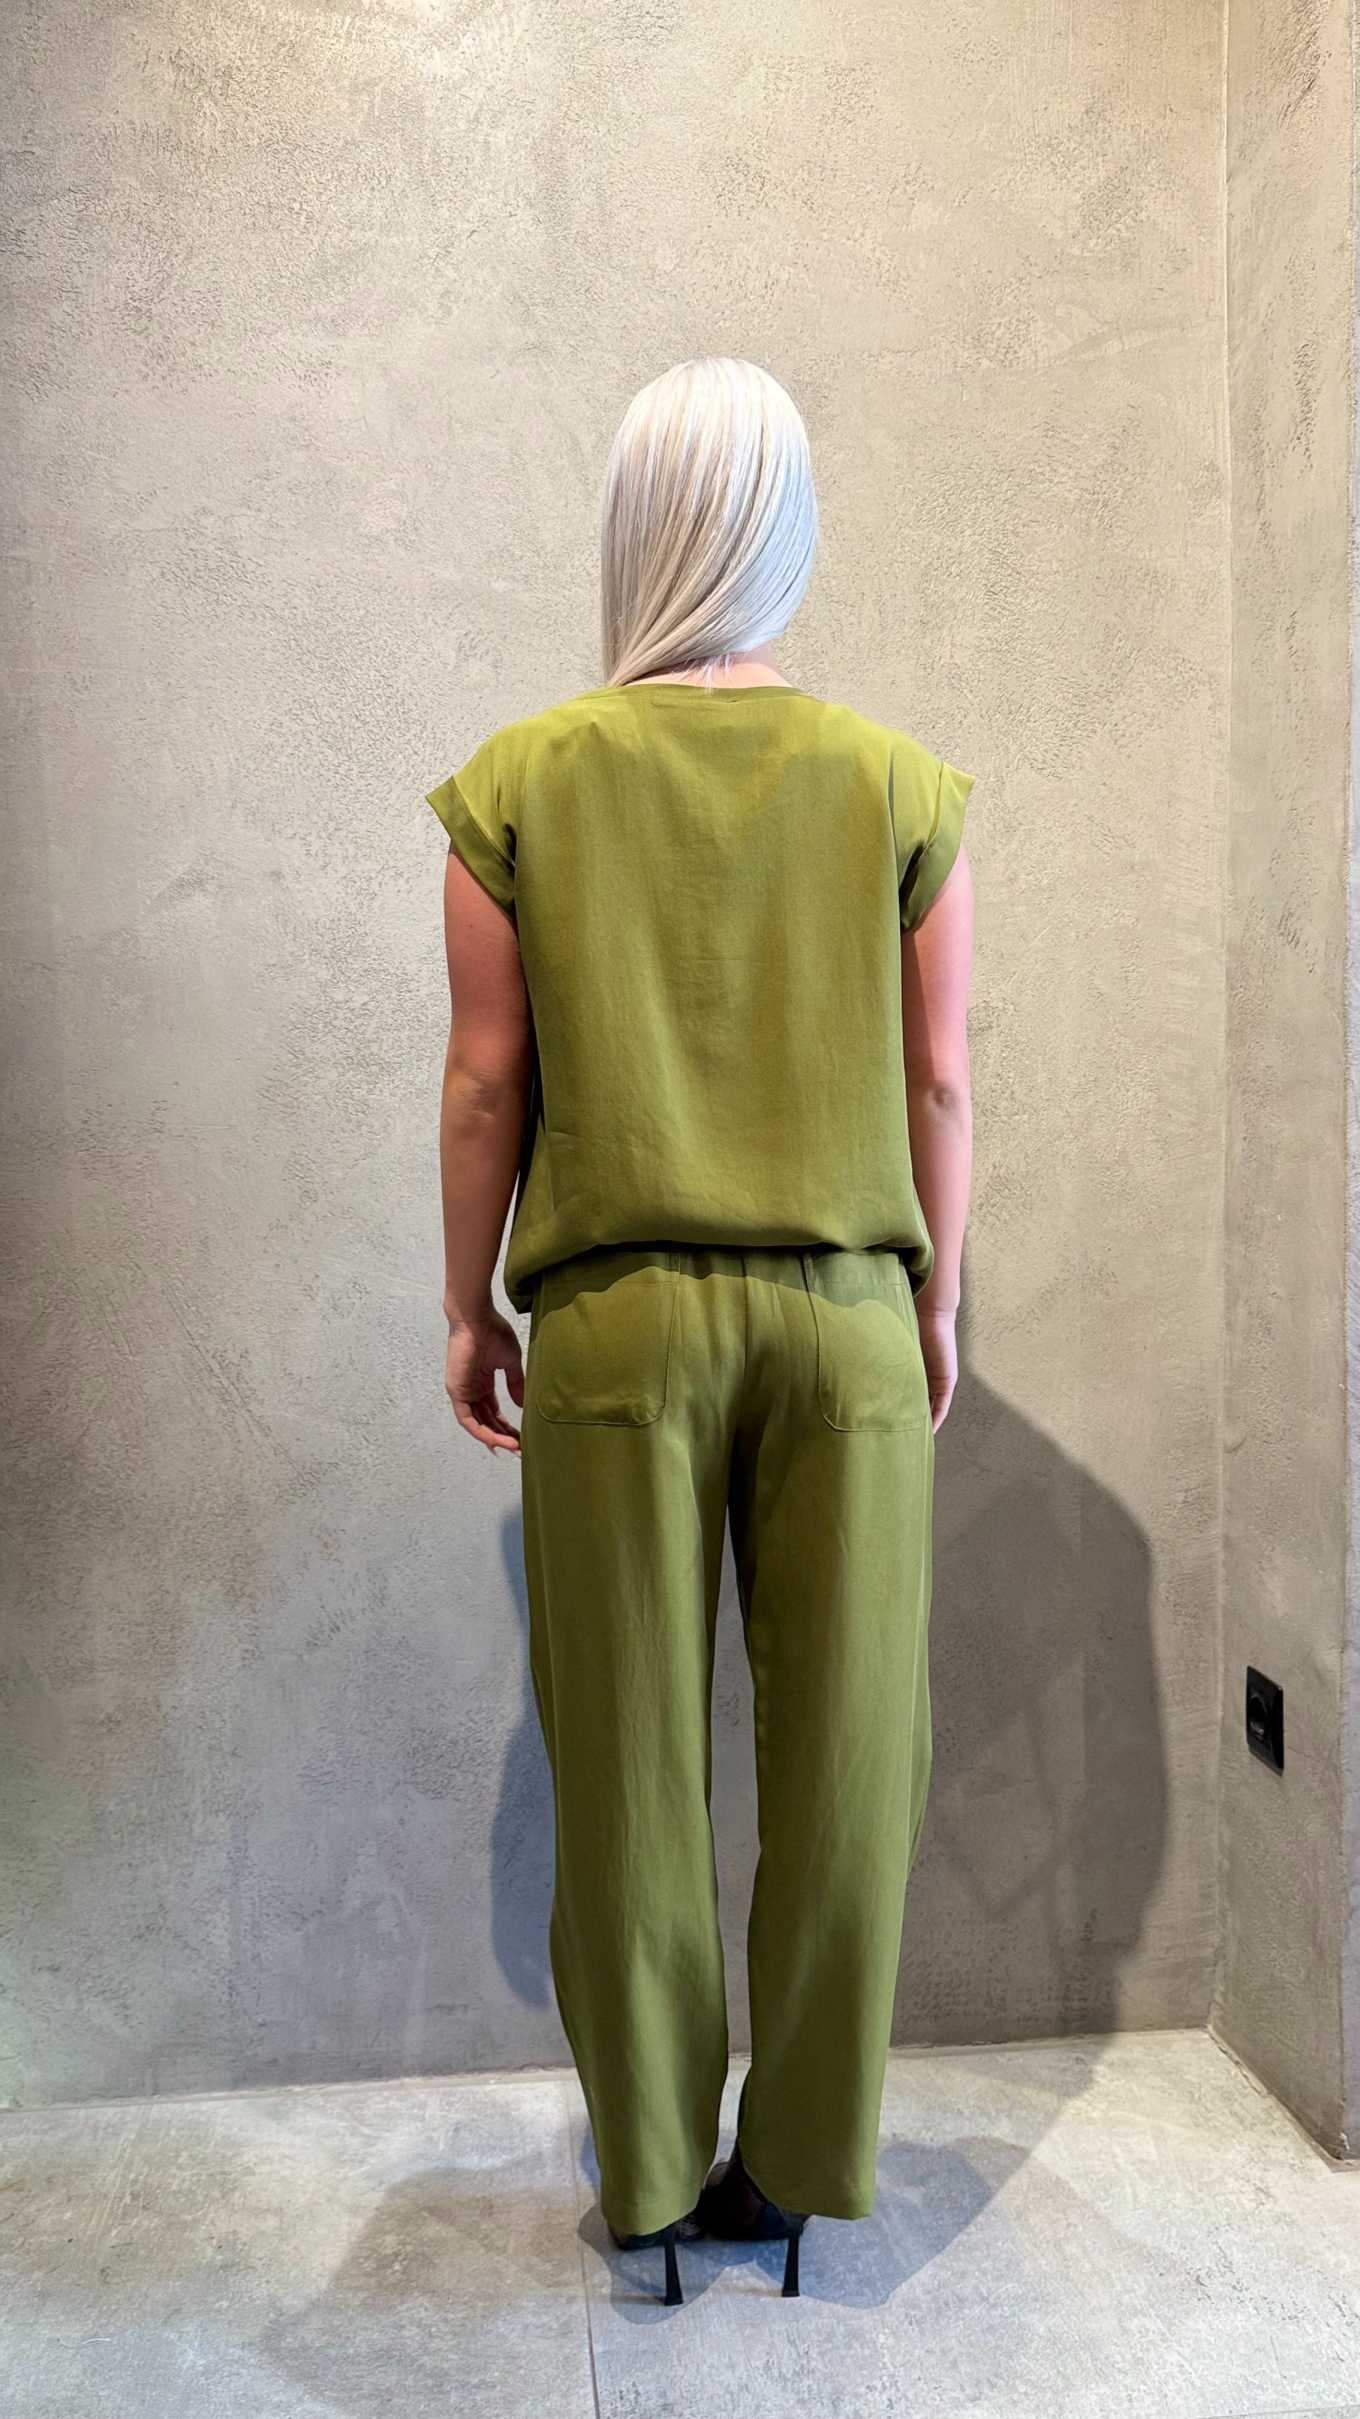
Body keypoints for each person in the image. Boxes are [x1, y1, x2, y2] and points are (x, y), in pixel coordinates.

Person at [426, 355, 975, 2305]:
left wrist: (465, 1304)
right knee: (849, 1760)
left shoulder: (518, 783)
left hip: (617, 1324)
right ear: (785, 528)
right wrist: (935, 1295)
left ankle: (653, 2173)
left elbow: (487, 1081)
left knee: (626, 1756)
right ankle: (800, 2169)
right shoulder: (895, 784)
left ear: (632, 528)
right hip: (844, 1325)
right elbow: (936, 1080)